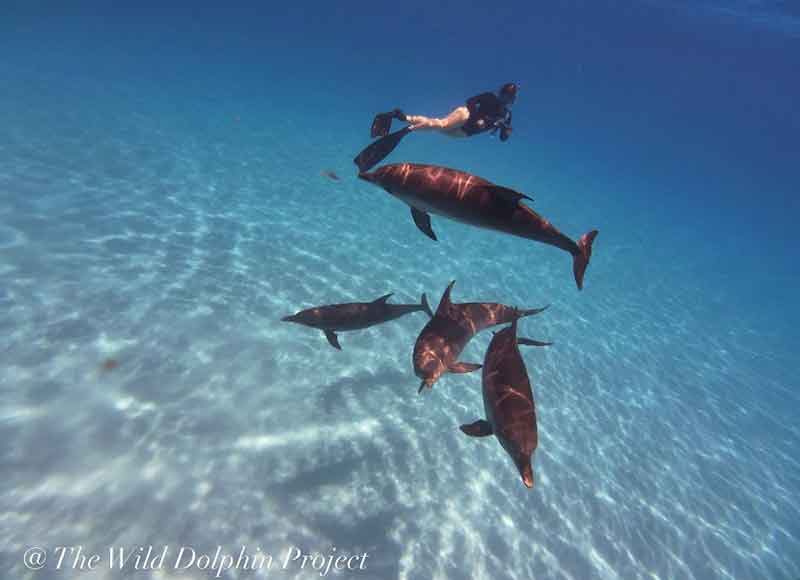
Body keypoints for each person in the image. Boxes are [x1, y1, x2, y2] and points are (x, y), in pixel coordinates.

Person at [355, 83, 518, 173]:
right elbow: (471, 100)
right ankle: (408, 129)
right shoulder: (489, 97)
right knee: (441, 124)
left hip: (464, 133)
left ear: (512, 99)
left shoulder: (506, 116)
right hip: (464, 115)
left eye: (509, 97)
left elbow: (503, 138)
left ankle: (403, 117)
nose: (505, 99)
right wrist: (479, 118)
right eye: (504, 95)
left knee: (437, 125)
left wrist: (505, 130)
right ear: (500, 92)